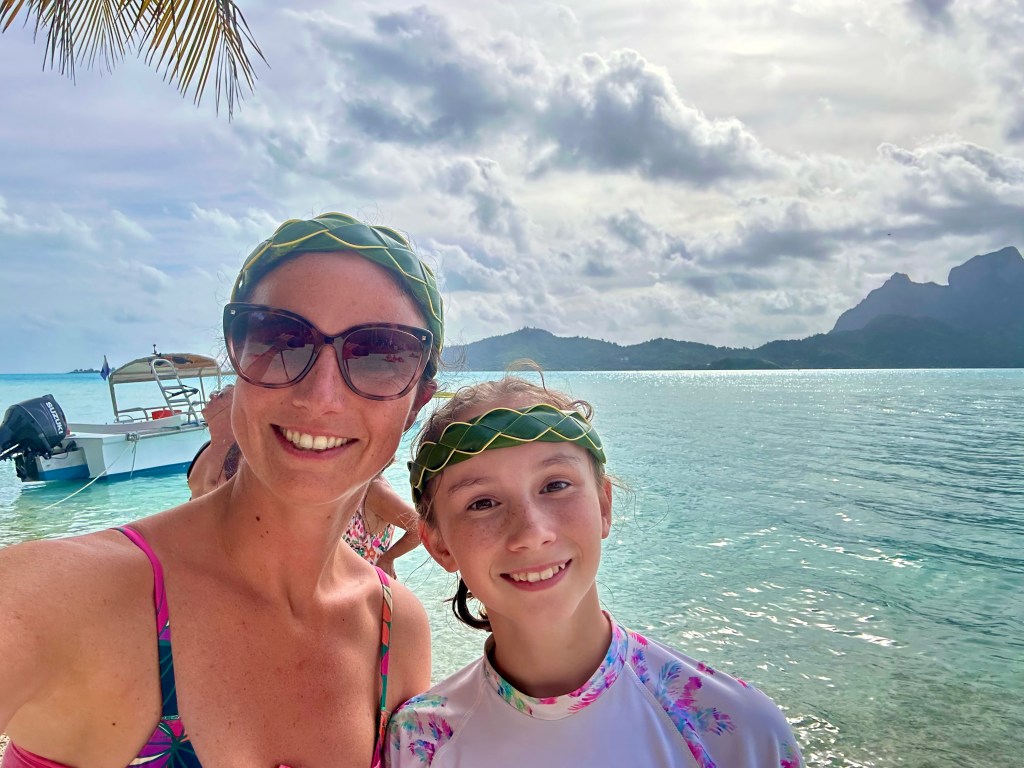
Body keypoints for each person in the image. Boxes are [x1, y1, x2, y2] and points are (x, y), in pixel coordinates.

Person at [0, 212, 444, 767]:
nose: (320, 396)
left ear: (417, 402)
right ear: (237, 356)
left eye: (380, 353)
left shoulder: (398, 632)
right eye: (281, 339)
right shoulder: (61, 598)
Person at [386, 376, 804, 768]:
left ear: (604, 505)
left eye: (555, 485)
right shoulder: (420, 743)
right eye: (482, 503)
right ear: (439, 544)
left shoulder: (736, 731)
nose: (532, 533)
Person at [187, 386, 422, 577]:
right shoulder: (329, 486)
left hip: (358, 586)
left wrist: (388, 559)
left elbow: (418, 526)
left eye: (223, 394)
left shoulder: (373, 489)